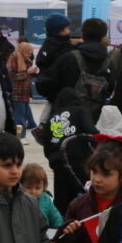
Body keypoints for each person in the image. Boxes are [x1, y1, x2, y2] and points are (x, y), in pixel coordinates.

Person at [40, 87, 99, 216]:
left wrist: (54, 160)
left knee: (61, 203)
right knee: (84, 200)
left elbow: (46, 144)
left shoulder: (52, 117)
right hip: (79, 161)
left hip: (58, 164)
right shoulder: (80, 111)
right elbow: (92, 133)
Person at [7, 41, 40, 135]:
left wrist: (33, 72)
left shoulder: (27, 60)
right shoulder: (14, 58)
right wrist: (28, 72)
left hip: (25, 93)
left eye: (30, 53)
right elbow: (12, 76)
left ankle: (21, 135)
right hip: (17, 93)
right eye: (28, 53)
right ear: (22, 51)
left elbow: (27, 76)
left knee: (23, 115)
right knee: (19, 118)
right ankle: (21, 136)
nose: (29, 55)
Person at [19, 163, 62, 229]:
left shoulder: (46, 199)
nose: (33, 191)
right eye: (28, 187)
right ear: (21, 186)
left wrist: (60, 228)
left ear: (43, 187)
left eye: (37, 188)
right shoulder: (19, 200)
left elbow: (55, 217)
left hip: (43, 232)